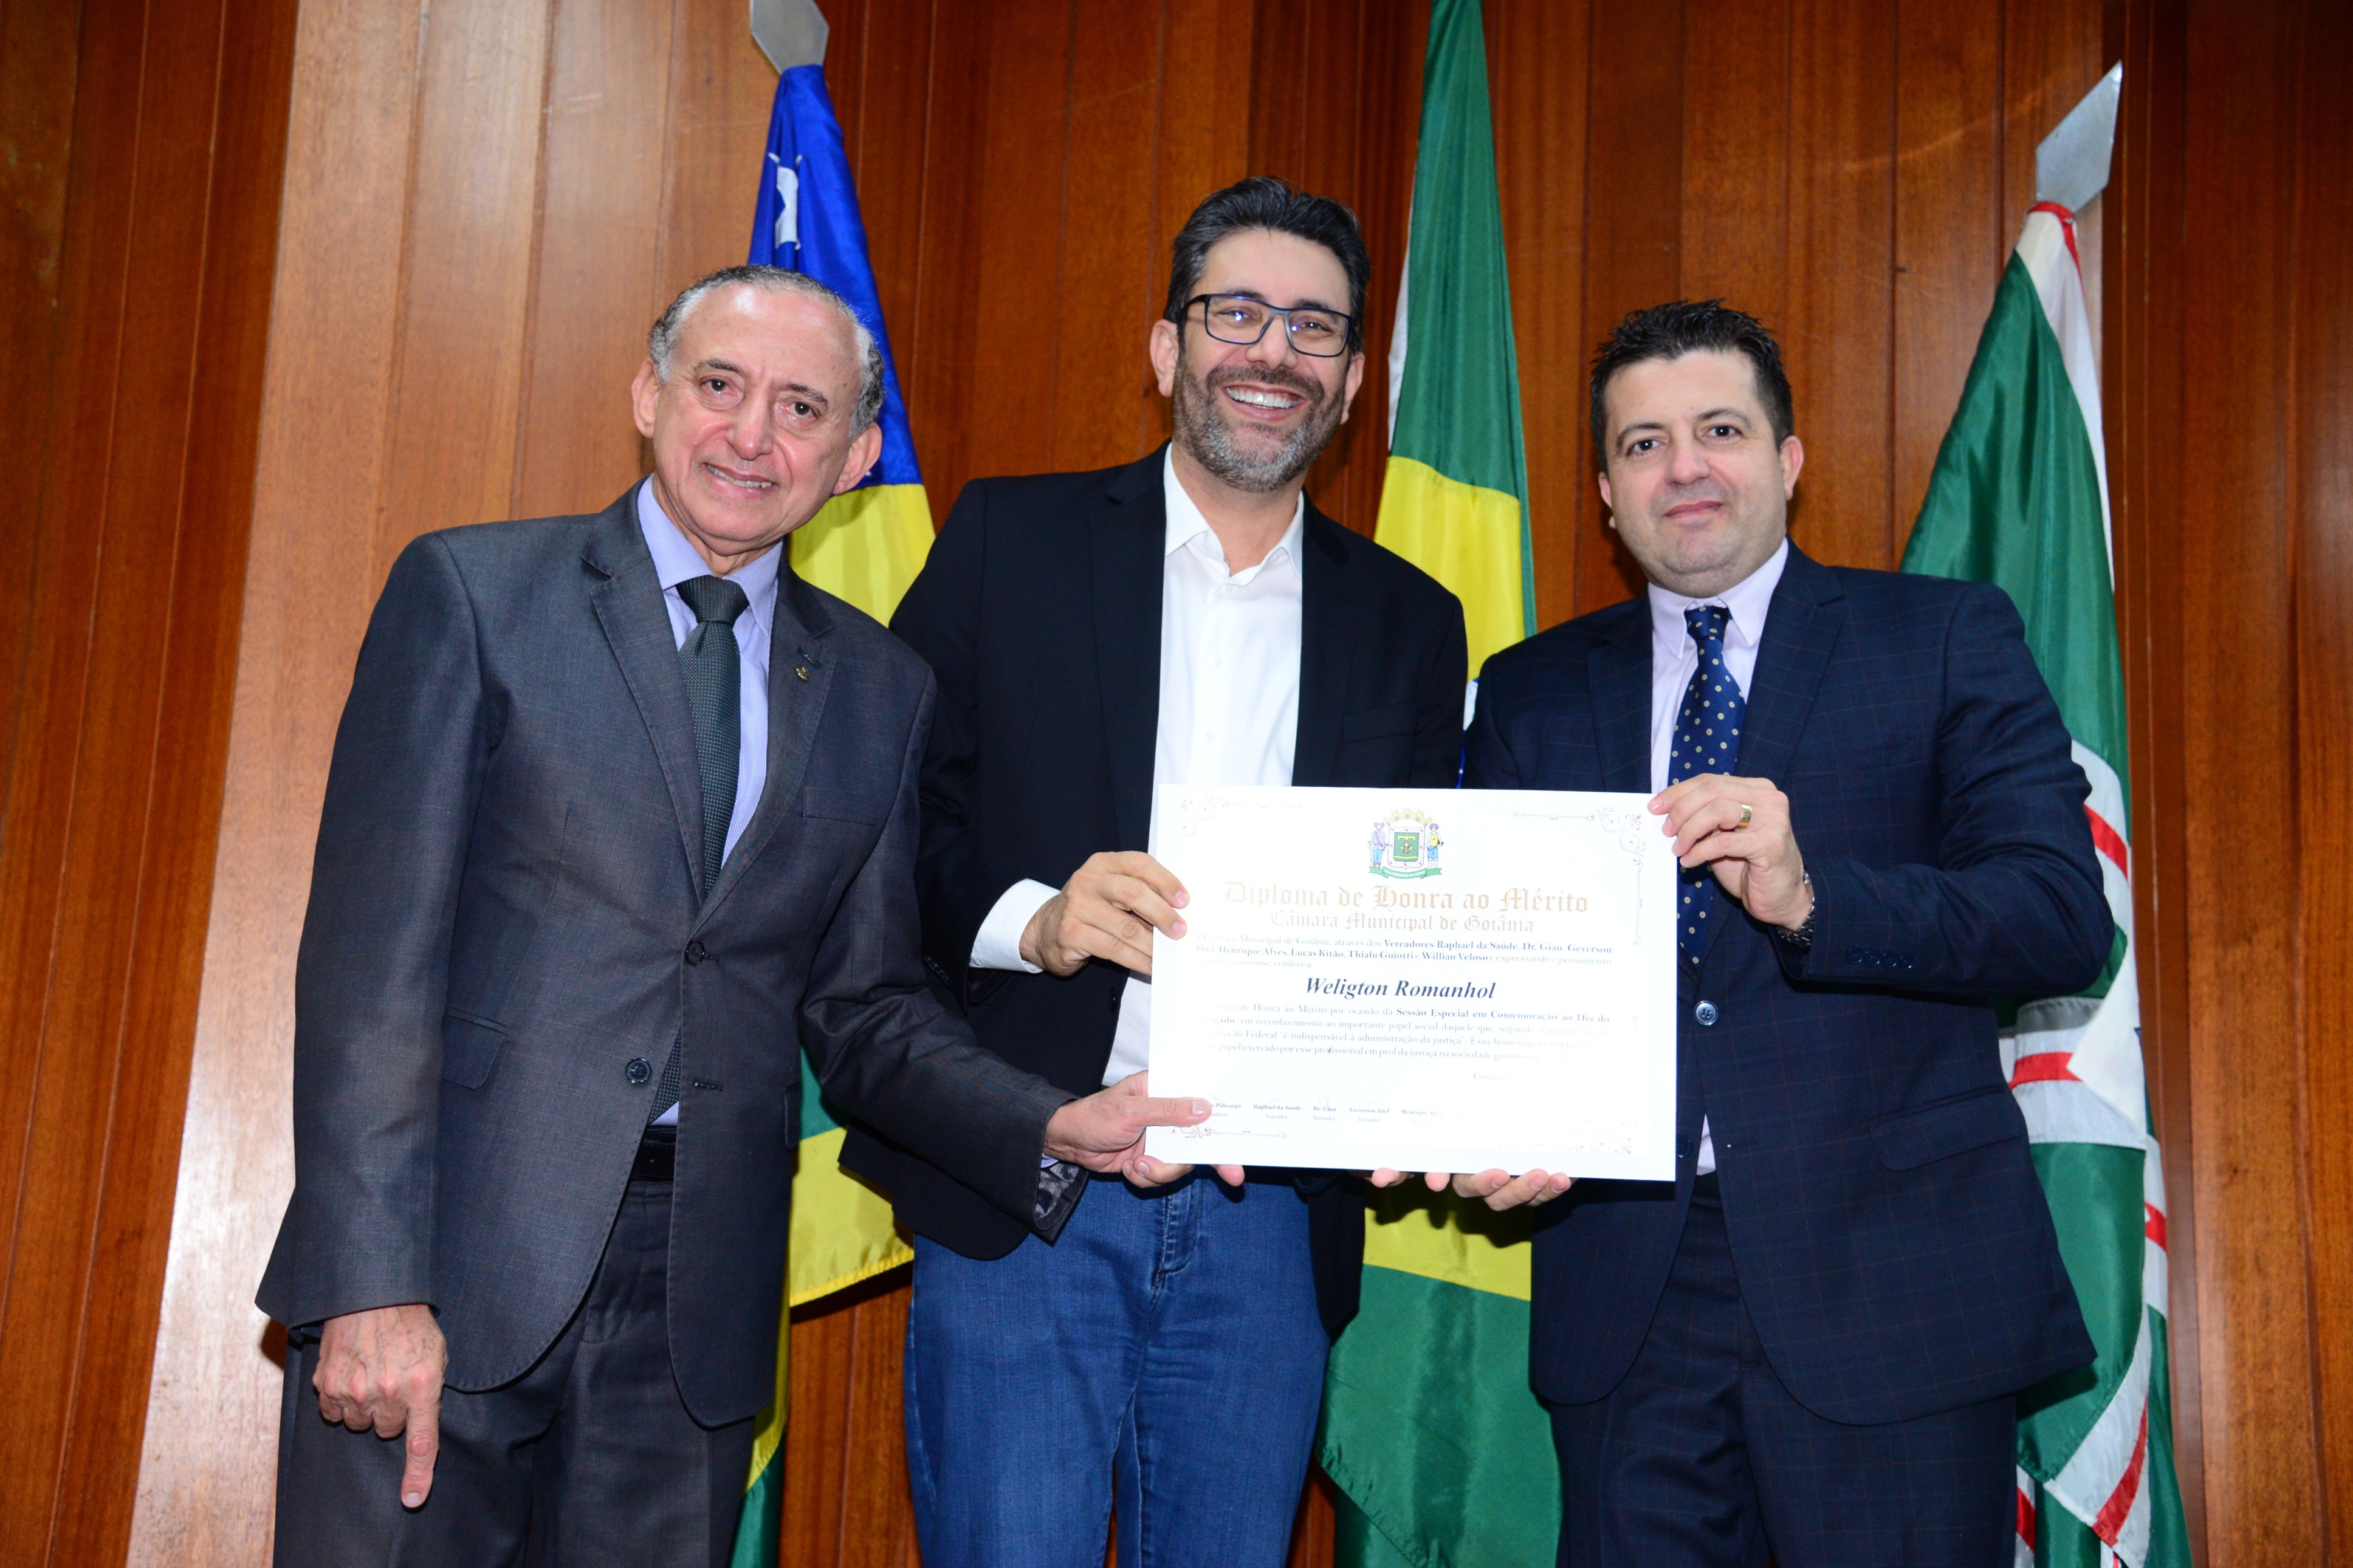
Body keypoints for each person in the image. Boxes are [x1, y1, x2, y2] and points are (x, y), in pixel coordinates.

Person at [256, 265, 1208, 1566]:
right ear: (650, 397)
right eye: (720, 385)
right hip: (448, 1264)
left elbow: (866, 1008)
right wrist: (371, 1279)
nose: (753, 435)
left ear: (856, 457)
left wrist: (1046, 1119)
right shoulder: (476, 595)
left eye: (802, 408)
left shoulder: (880, 688)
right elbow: (370, 967)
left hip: (692, 1306)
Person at [849, 177, 1467, 1567]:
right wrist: (1035, 920)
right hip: (1031, 1180)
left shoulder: (1412, 623)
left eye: (1313, 327)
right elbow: (883, 829)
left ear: (1351, 380)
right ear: (1165, 346)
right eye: (1234, 312)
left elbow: (1420, 912)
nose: (1272, 351)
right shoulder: (1009, 540)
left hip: (1272, 1221)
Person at [1442, 300, 2107, 1566]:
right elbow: (1488, 965)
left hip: (1892, 1291)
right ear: (1605, 492)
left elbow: (2058, 916)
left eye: (1720, 430)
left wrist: (1813, 898)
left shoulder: (1942, 636)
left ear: (1790, 459)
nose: (1682, 467)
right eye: (1642, 444)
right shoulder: (1527, 689)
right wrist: (1476, 1107)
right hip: (1626, 1298)